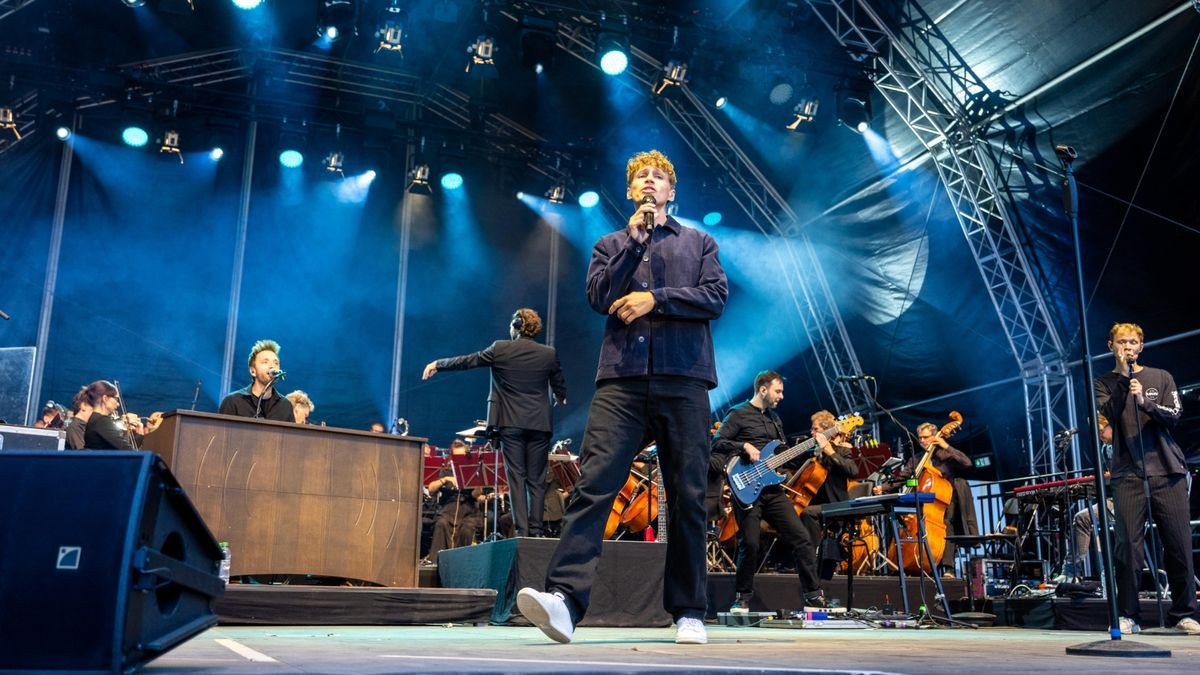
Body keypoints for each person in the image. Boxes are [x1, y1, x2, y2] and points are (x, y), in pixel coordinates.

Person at [515, 149, 728, 645]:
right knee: (593, 485)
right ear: (632, 193)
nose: (650, 183)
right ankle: (565, 601)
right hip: (623, 380)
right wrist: (633, 247)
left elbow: (716, 297)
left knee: (689, 497)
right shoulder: (611, 243)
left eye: (658, 177)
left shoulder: (699, 242)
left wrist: (659, 298)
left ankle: (689, 610)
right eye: (641, 178)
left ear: (671, 192)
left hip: (684, 378)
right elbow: (597, 297)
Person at [423, 307, 567, 538]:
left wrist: (438, 364)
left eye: (512, 326)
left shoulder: (500, 348)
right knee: (537, 480)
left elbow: (468, 361)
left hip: (511, 424)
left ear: (517, 327)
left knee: (517, 479)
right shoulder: (548, 353)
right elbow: (559, 384)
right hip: (540, 425)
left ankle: (523, 532)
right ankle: (537, 531)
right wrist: (560, 396)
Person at [1094, 322, 1198, 635]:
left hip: (1168, 470)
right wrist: (1125, 383)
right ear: (1111, 345)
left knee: (1178, 543)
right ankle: (1128, 615)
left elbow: (1175, 415)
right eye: (1122, 341)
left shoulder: (1161, 377)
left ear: (1141, 346)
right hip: (1127, 473)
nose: (1128, 346)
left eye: (1133, 342)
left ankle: (1184, 613)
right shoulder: (1102, 383)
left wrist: (1145, 402)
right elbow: (1106, 419)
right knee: (1128, 547)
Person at [712, 371, 826, 612]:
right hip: (746, 488)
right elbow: (717, 443)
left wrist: (811, 447)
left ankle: (813, 596)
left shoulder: (775, 420)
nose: (782, 396)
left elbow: (783, 453)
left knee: (802, 538)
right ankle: (742, 597)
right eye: (778, 391)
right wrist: (743, 445)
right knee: (750, 544)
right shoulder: (737, 413)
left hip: (772, 490)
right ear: (763, 390)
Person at [876, 421, 977, 576]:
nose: (922, 441)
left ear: (935, 436)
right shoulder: (917, 459)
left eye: (926, 437)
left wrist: (945, 446)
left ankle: (948, 567)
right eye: (920, 438)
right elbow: (902, 478)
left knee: (946, 525)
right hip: (922, 500)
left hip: (944, 498)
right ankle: (915, 562)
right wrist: (882, 488)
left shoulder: (945, 454)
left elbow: (967, 463)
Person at [799, 410, 860, 579]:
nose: (811, 433)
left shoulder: (842, 451)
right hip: (815, 502)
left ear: (827, 431)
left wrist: (829, 451)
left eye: (815, 429)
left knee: (808, 513)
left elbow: (853, 471)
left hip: (836, 504)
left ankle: (810, 560)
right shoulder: (812, 453)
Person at [424, 440, 485, 563]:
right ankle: (436, 561)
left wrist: (478, 486)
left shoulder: (472, 472)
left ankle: (463, 562)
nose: (460, 459)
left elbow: (475, 495)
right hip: (448, 509)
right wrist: (445, 479)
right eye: (457, 456)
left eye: (462, 456)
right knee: (441, 524)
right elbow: (431, 489)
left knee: (467, 529)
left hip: (468, 511)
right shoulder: (445, 471)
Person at [218, 339, 295, 422]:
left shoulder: (285, 405)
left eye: (276, 363)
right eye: (265, 362)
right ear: (253, 371)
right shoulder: (233, 401)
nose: (272, 366)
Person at [82, 381, 144, 450]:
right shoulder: (102, 421)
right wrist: (140, 435)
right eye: (116, 399)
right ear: (105, 398)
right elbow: (128, 451)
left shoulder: (94, 419)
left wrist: (138, 436)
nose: (118, 404)